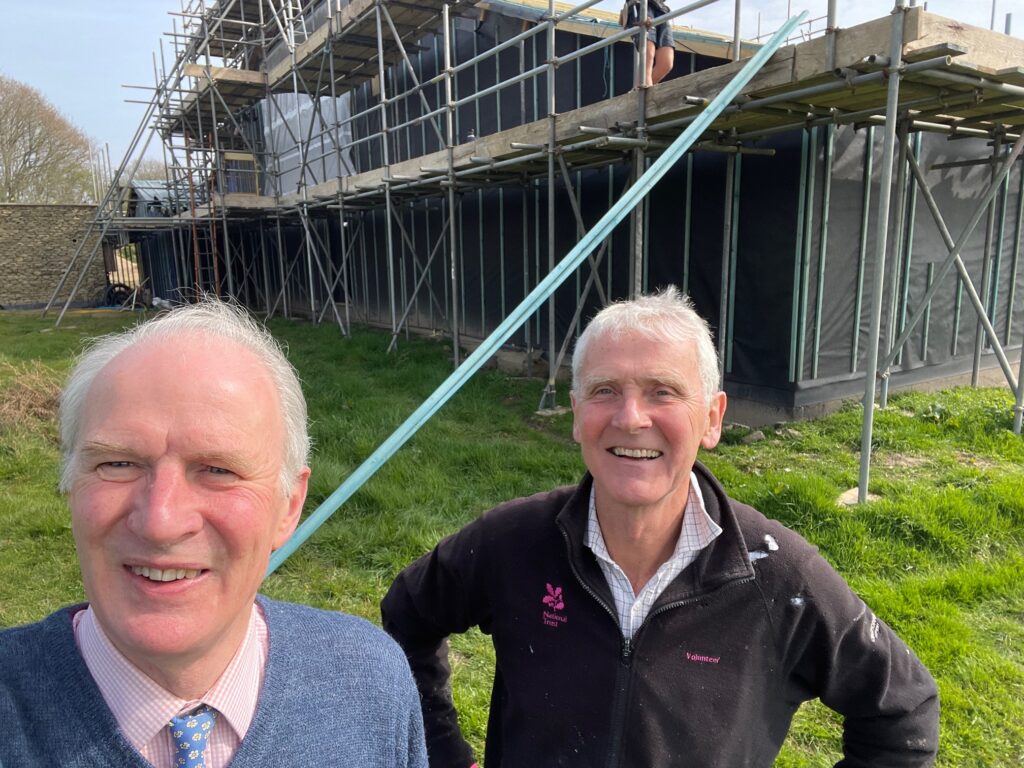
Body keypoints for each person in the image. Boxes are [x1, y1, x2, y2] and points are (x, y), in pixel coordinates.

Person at [382, 287, 939, 767]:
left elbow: (903, 710)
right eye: (604, 390)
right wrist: (443, 754)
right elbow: (407, 618)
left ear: (712, 418)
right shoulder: (513, 543)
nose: (631, 418)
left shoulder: (779, 577)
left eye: (663, 391)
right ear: (576, 413)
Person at [0, 300, 427, 768]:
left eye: (218, 470)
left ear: (288, 505)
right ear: (70, 486)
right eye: (118, 464)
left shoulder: (370, 684)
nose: (160, 521)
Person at [620, 0, 675, 86]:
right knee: (647, 54)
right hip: (640, 4)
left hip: (661, 8)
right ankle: (643, 88)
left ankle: (638, 88)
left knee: (666, 64)